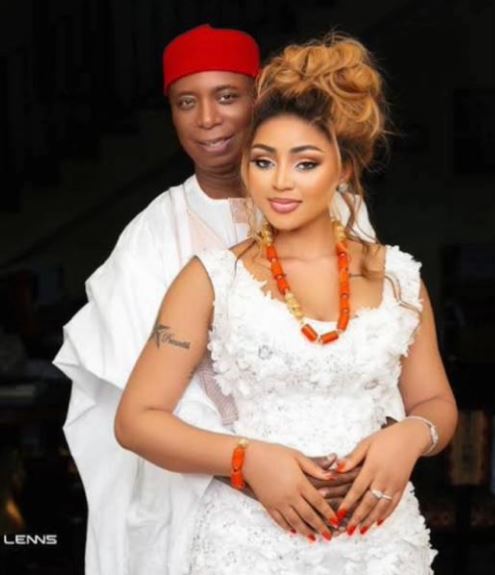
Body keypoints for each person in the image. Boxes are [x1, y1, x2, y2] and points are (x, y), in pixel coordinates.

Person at [115, 32, 458, 574]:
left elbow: (435, 401)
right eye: (262, 161)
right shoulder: (211, 279)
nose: (279, 183)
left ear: (344, 168)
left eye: (305, 163)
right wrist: (247, 459)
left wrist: (412, 437)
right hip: (250, 543)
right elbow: (136, 421)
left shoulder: (397, 278)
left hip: (382, 544)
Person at [54, 25, 375, 575]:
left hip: (333, 492)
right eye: (186, 102)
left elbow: (372, 344)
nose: (206, 119)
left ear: (260, 100)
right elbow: (133, 398)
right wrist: (252, 468)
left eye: (227, 96)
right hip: (208, 498)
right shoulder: (153, 236)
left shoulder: (337, 208)